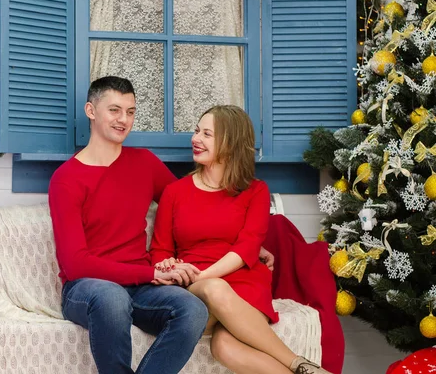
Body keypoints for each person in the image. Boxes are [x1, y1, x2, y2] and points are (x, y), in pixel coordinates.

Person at [48, 77, 275, 374]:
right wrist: (151, 272)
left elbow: (193, 206)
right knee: (111, 297)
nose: (123, 119)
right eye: (114, 110)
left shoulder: (144, 163)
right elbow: (76, 264)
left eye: (130, 112)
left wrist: (252, 245)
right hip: (87, 289)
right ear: (91, 110)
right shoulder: (66, 179)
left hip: (140, 288)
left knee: (191, 308)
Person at [150, 105, 333, 374]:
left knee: (224, 347)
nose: (196, 139)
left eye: (207, 134)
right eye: (196, 131)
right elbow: (160, 250)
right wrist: (171, 267)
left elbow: (247, 247)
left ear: (230, 142)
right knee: (214, 289)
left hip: (244, 281)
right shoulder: (174, 192)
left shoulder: (255, 191)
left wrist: (207, 275)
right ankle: (301, 363)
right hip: (195, 286)